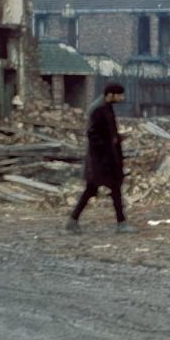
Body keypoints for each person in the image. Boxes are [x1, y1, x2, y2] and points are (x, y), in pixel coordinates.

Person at [66, 82, 135, 234]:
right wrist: (107, 148)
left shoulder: (106, 107)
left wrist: (117, 138)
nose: (122, 98)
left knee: (104, 190)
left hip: (105, 159)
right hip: (101, 161)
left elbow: (106, 132)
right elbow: (93, 135)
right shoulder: (99, 109)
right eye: (120, 95)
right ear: (111, 95)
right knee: (99, 190)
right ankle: (121, 223)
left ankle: (73, 221)